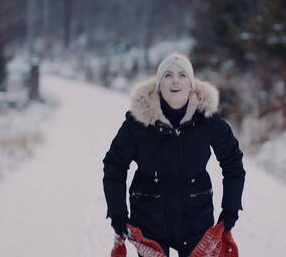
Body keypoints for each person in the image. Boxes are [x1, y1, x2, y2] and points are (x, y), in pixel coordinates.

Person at [103, 53, 245, 257]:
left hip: (196, 217)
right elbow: (114, 165)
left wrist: (231, 207)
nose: (175, 81)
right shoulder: (137, 123)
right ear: (159, 85)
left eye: (182, 75)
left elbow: (233, 162)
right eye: (168, 75)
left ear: (191, 84)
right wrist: (117, 213)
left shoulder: (208, 121)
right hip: (148, 217)